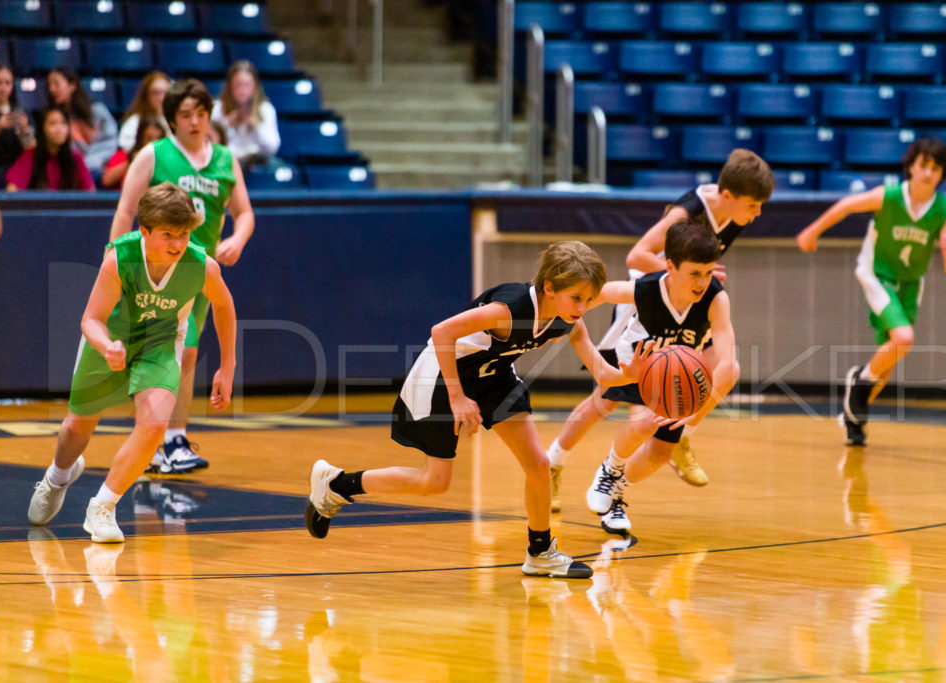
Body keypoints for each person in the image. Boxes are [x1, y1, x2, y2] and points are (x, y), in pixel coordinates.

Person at [304, 241, 654, 578]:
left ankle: (541, 554)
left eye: (590, 299)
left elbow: (602, 373)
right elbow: (442, 332)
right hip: (444, 375)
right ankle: (338, 484)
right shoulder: (508, 310)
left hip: (494, 377)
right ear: (549, 287)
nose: (583, 306)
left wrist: (629, 374)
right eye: (577, 297)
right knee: (434, 482)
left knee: (539, 464)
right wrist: (457, 397)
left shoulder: (568, 321)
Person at [547, 149, 773, 511]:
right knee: (604, 400)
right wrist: (683, 278)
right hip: (648, 304)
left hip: (688, 301)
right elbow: (636, 256)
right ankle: (553, 462)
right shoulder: (685, 213)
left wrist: (697, 284)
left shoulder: (735, 214)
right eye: (754, 205)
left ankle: (682, 434)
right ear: (728, 196)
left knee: (724, 368)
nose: (758, 213)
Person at [26, 182, 237, 543]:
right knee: (78, 426)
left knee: (155, 423)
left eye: (184, 234)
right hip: (112, 336)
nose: (177, 244)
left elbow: (223, 305)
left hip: (160, 341)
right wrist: (107, 346)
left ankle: (103, 506)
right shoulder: (119, 258)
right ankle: (57, 477)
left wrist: (228, 365)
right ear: (145, 231)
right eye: (168, 234)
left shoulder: (201, 265)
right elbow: (90, 318)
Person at [108, 78, 254, 473]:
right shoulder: (154, 155)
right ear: (173, 119)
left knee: (183, 355)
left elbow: (244, 212)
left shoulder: (225, 159)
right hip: (154, 270)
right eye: (186, 115)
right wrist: (118, 260)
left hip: (198, 271)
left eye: (202, 113)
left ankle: (164, 438)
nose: (195, 121)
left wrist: (237, 240)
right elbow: (125, 211)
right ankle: (165, 438)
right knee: (179, 350)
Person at [796, 138, 946, 447]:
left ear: (942, 174)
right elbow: (845, 206)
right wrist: (812, 231)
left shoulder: (944, 209)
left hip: (911, 283)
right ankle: (858, 384)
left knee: (887, 363)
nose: (927, 173)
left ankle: (853, 418)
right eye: (923, 165)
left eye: (935, 169)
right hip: (877, 274)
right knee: (904, 339)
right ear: (911, 166)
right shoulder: (889, 196)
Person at [583, 216, 737, 536]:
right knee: (644, 423)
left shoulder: (715, 299)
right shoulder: (649, 289)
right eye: (694, 273)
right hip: (635, 361)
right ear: (669, 266)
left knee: (661, 451)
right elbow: (606, 292)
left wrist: (696, 407)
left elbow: (726, 361)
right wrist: (568, 315)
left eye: (708, 273)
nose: (702, 282)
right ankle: (609, 470)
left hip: (674, 372)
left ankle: (617, 494)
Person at [5, 104, 95, 191]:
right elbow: (12, 192)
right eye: (53, 123)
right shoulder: (30, 156)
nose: (59, 129)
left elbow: (91, 197)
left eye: (63, 123)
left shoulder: (76, 158)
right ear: (42, 128)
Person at [211, 61, 280, 170]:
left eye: (247, 85)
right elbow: (212, 147)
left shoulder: (266, 109)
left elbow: (272, 149)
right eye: (238, 85)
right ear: (229, 86)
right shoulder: (217, 109)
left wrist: (256, 127)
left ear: (255, 87)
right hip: (226, 161)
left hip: (258, 161)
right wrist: (227, 126)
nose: (242, 90)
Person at [47, 67, 118, 173]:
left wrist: (89, 162)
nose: (51, 89)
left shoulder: (97, 110)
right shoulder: (54, 117)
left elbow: (110, 142)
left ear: (72, 86)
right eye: (49, 85)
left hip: (101, 170)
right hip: (71, 172)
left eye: (56, 84)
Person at [0, 62, 35, 188]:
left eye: (8, 83)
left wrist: (24, 130)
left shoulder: (21, 112)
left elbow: (32, 149)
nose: (3, 88)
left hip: (17, 168)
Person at [101, 117, 167, 190]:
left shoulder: (167, 161)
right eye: (149, 138)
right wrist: (133, 161)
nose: (154, 143)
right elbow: (106, 181)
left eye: (159, 138)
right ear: (140, 139)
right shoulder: (123, 156)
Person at [117, 71, 171, 154]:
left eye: (165, 93)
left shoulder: (178, 119)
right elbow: (127, 147)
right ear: (146, 95)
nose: (161, 98)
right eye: (156, 93)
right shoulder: (135, 121)